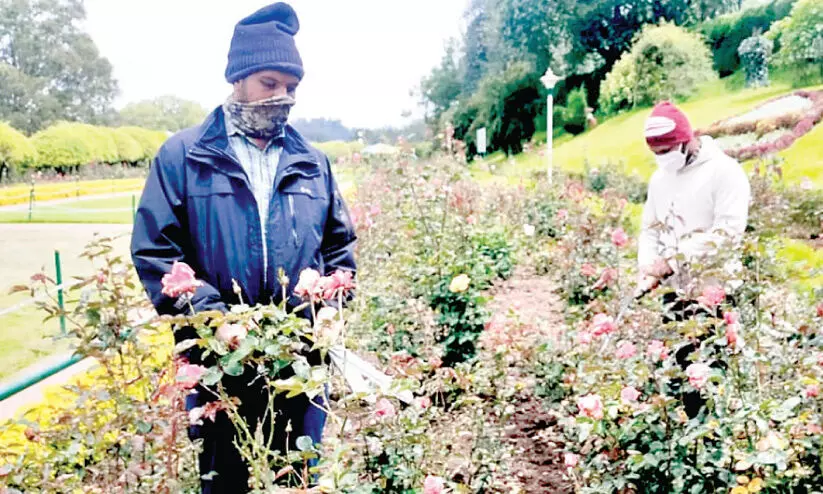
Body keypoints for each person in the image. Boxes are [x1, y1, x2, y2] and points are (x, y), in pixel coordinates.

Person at [130, 3, 357, 492]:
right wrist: (216, 319)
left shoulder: (313, 162)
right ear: (237, 78)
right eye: (269, 83)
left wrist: (329, 306)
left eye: (291, 87)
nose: (282, 97)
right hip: (218, 362)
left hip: (298, 360)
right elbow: (156, 251)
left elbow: (339, 249)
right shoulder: (184, 156)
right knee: (223, 480)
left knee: (297, 477)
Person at [637, 101, 750, 418]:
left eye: (667, 150)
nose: (662, 158)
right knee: (679, 370)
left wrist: (672, 260)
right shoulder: (660, 180)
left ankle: (715, 442)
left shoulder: (724, 172)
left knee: (711, 375)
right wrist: (648, 267)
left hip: (713, 293)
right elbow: (649, 230)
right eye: (656, 153)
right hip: (676, 295)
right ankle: (686, 440)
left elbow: (728, 233)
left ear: (688, 139)